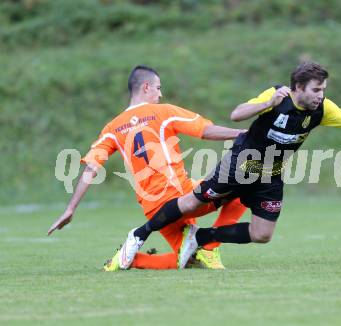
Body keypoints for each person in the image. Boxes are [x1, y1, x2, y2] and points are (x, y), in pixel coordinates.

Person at [117, 61, 341, 269]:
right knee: (192, 203)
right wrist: (267, 103)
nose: (321, 95)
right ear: (298, 88)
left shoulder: (323, 109)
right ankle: (139, 234)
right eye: (316, 89)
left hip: (271, 175)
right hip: (241, 164)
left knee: (262, 235)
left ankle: (202, 237)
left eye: (323, 89)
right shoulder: (275, 97)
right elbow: (236, 114)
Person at [47, 65, 247, 270]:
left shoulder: (112, 128)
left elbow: (91, 168)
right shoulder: (164, 112)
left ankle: (137, 260)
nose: (160, 93)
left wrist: (70, 209)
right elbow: (206, 131)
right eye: (158, 88)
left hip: (154, 210)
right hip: (181, 196)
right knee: (245, 190)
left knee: (188, 259)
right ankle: (211, 247)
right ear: (146, 87)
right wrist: (242, 133)